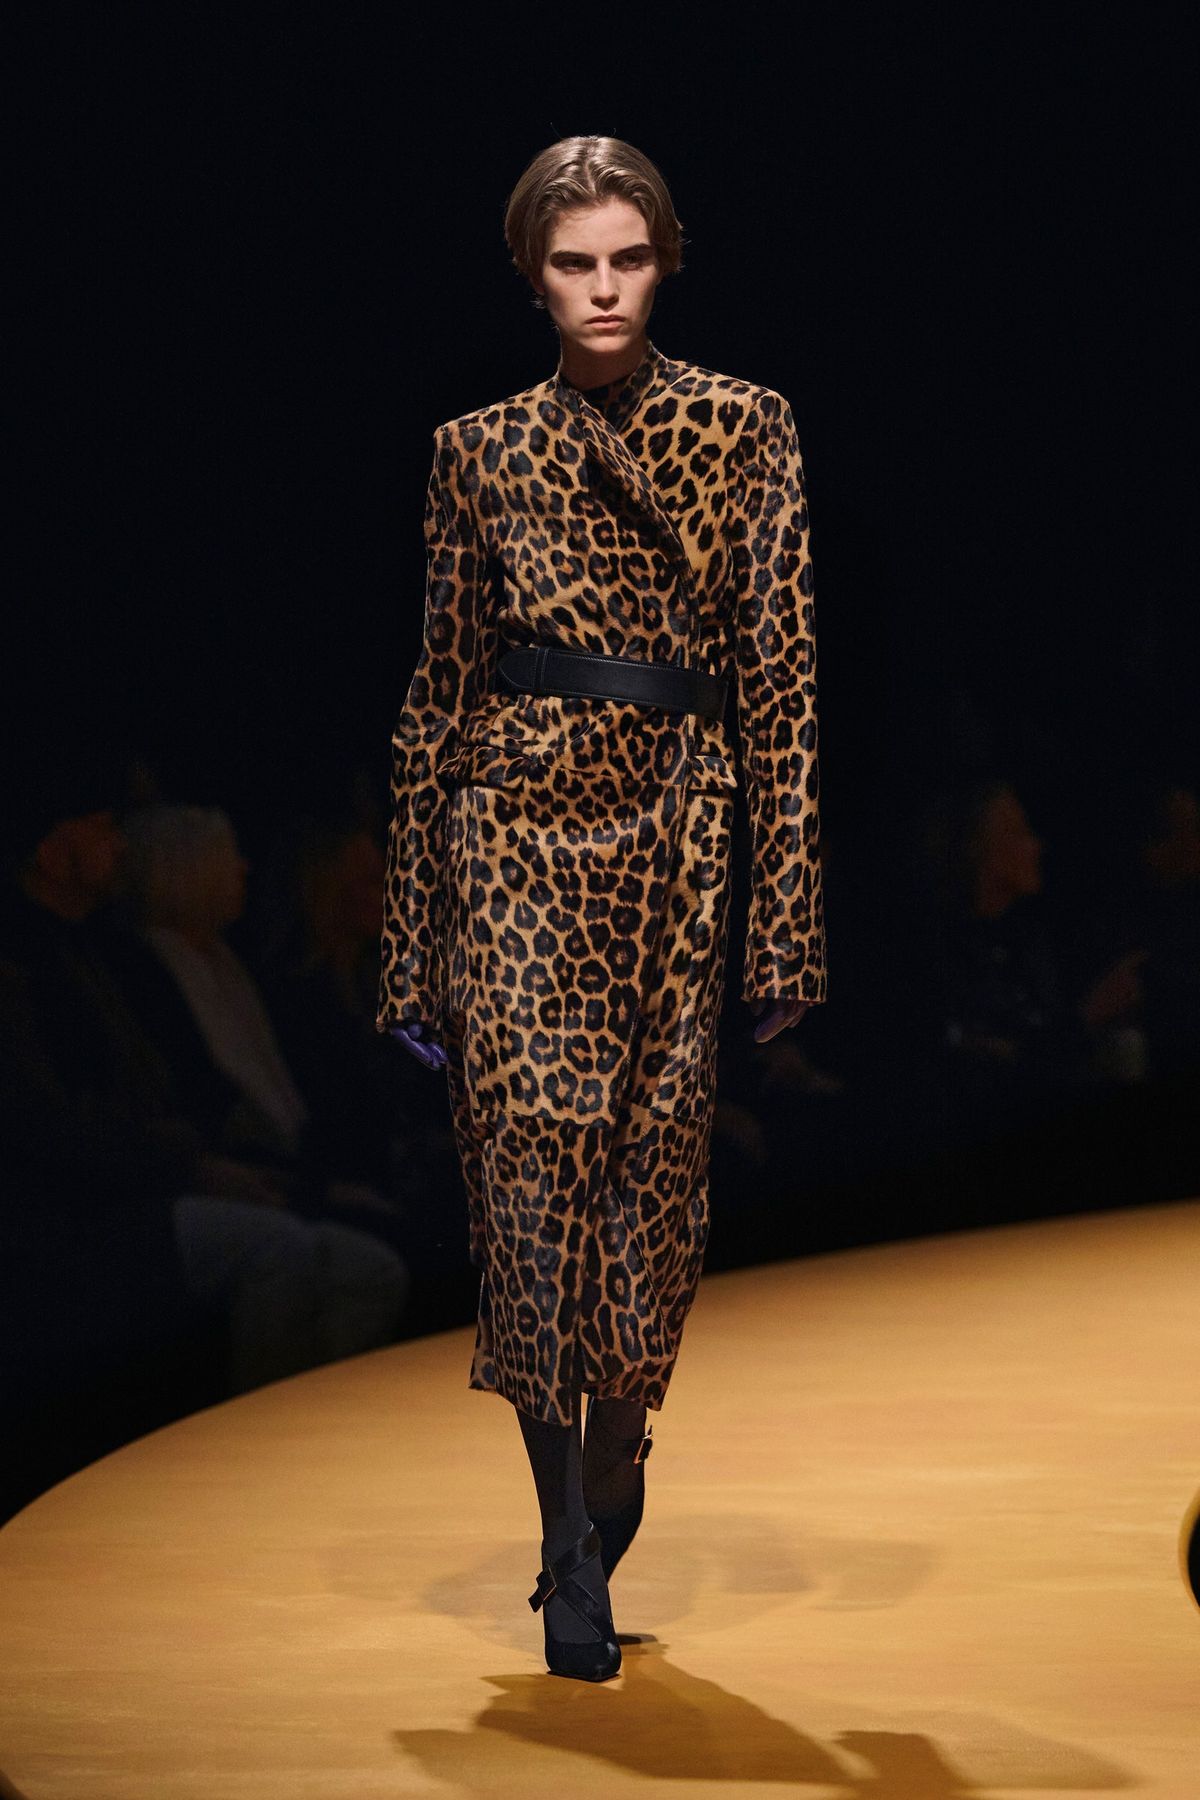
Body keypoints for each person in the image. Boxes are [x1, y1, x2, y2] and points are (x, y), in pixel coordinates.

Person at [376, 135, 827, 1681]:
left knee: (651, 1200)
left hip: (675, 837)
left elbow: (784, 684)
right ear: (533, 276)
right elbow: (436, 693)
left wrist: (787, 918)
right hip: (513, 835)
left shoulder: (745, 426)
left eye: (628, 257)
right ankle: (565, 1536)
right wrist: (410, 945)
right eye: (574, 263)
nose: (605, 288)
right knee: (526, 1192)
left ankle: (615, 1455)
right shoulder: (478, 451)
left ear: (667, 258)